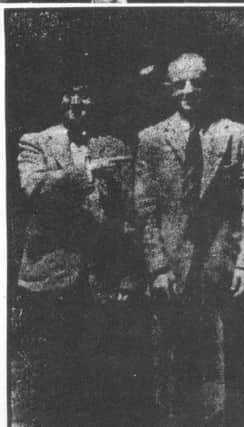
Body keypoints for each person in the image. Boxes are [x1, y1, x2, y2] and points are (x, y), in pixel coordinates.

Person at [135, 52, 244, 425]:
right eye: (179, 84)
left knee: (219, 363)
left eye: (197, 82)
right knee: (172, 365)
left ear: (210, 84)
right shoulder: (151, 139)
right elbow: (146, 210)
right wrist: (158, 266)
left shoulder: (236, 134)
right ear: (168, 89)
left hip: (219, 264)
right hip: (171, 270)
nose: (188, 90)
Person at [11, 84, 135, 425]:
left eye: (86, 96)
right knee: (51, 378)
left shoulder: (115, 147)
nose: (78, 105)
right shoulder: (35, 142)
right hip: (51, 278)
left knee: (98, 379)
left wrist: (125, 274)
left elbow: (127, 216)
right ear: (59, 101)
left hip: (101, 279)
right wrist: (88, 172)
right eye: (70, 97)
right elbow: (35, 189)